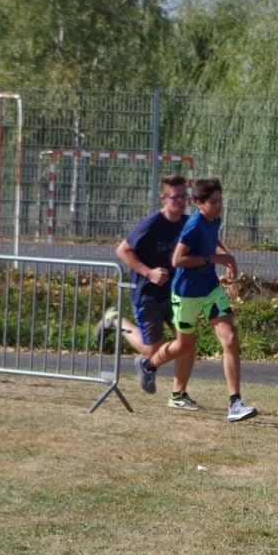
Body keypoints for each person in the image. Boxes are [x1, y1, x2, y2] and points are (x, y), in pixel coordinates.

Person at [157, 177, 256, 421]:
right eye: (213, 202)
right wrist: (214, 259)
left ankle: (235, 403)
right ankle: (150, 365)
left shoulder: (214, 219)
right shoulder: (193, 225)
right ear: (199, 204)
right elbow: (177, 260)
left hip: (210, 289)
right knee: (184, 346)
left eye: (220, 200)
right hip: (186, 293)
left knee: (230, 339)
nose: (218, 206)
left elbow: (214, 241)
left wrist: (227, 257)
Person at [101, 174, 190, 396]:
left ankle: (179, 395)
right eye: (174, 197)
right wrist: (148, 272)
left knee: (187, 342)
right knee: (153, 350)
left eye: (183, 196)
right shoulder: (151, 224)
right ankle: (114, 320)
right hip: (147, 294)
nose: (179, 201)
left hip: (173, 293)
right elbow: (122, 250)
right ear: (163, 198)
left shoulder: (187, 223)